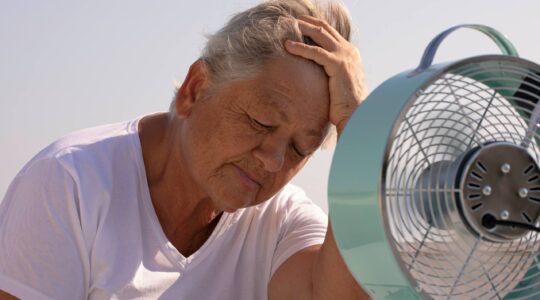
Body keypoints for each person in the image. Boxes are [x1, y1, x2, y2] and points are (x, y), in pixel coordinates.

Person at [0, 0, 369, 299]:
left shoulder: (282, 220)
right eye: (261, 123)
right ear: (195, 88)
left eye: (300, 148)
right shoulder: (70, 182)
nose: (273, 161)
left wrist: (359, 128)